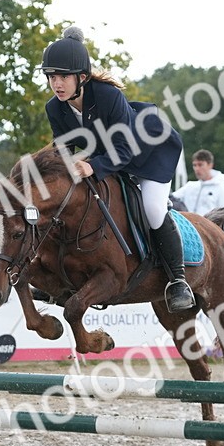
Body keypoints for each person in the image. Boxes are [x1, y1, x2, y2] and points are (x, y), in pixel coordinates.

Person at [39, 25, 193, 312]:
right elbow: (62, 150)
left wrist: (91, 166)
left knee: (153, 209)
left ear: (81, 77)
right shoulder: (55, 108)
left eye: (62, 77)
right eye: (51, 77)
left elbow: (125, 149)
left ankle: (178, 280)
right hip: (108, 159)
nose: (56, 83)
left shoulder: (108, 96)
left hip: (148, 153)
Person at [171, 149, 224, 214]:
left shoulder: (222, 189)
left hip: (209, 223)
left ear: (210, 165)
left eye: (200, 165)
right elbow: (170, 200)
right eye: (194, 165)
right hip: (187, 223)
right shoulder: (189, 186)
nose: (197, 169)